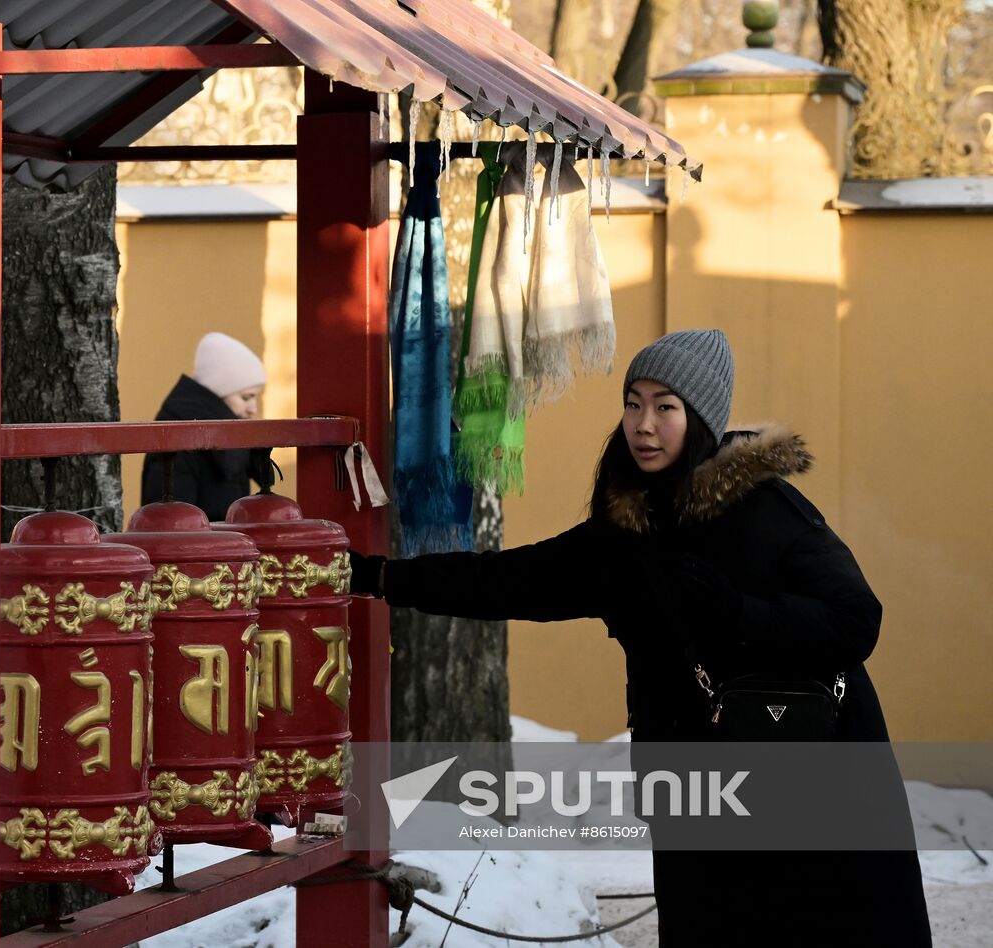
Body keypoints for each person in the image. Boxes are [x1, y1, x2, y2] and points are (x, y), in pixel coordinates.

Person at [350, 329, 931, 945]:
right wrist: (380, 577)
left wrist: (738, 612)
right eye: (633, 402)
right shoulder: (626, 535)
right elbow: (506, 581)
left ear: (700, 418)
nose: (643, 424)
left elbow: (855, 619)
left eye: (665, 406)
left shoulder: (767, 510)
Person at [141, 332, 267, 522]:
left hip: (219, 547)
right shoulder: (177, 437)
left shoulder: (230, 437)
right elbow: (172, 525)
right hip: (199, 548)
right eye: (246, 397)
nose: (253, 409)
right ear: (218, 392)